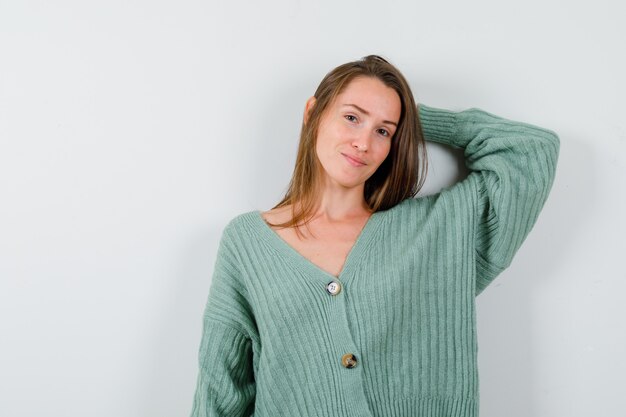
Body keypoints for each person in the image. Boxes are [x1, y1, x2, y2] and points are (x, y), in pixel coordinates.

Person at [189, 55, 560, 417]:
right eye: (351, 117)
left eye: (383, 130)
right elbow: (221, 388)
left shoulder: (438, 230)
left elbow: (530, 151)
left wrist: (415, 121)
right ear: (312, 114)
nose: (363, 143)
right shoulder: (248, 243)